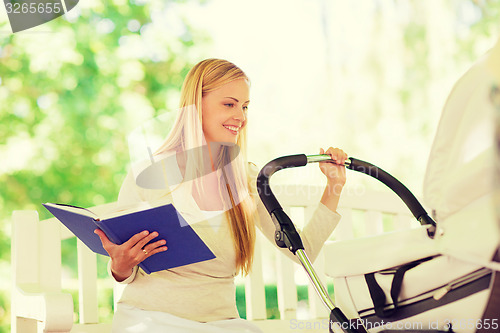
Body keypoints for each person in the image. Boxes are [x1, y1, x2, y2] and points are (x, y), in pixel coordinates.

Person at [94, 58, 348, 333]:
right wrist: (120, 265)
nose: (241, 116)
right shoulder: (149, 174)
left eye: (245, 106)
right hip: (150, 321)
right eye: (229, 104)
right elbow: (124, 268)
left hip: (222, 325)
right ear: (195, 106)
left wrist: (333, 187)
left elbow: (303, 251)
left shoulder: (247, 180)